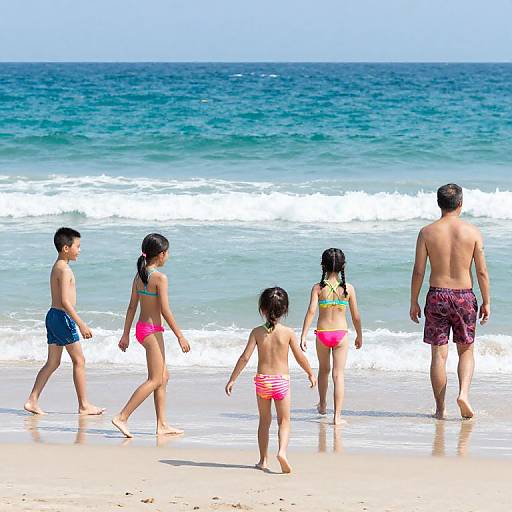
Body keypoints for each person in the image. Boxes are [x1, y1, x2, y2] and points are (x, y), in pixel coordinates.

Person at [410, 184, 490, 420]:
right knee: (466, 351)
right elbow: (482, 271)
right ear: (461, 203)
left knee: (438, 355)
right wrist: (486, 301)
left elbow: (418, 271)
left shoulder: (427, 232)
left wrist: (413, 300)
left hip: (437, 295)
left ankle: (440, 409)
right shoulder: (473, 232)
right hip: (465, 296)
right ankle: (464, 394)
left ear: (439, 203)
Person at [225, 287, 316, 474]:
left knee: (264, 421)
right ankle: (282, 452)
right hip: (281, 381)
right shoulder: (288, 332)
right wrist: (310, 373)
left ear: (262, 310)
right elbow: (299, 357)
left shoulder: (257, 332)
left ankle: (263, 460)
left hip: (263, 381)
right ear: (285, 310)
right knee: (284, 421)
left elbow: (244, 357)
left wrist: (232, 379)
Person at [112, 233, 190, 438]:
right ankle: (122, 416)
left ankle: (162, 424)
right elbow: (165, 310)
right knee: (155, 379)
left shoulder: (139, 276)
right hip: (152, 332)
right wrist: (180, 336)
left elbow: (131, 307)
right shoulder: (159, 278)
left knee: (163, 377)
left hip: (141, 330)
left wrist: (126, 335)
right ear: (161, 254)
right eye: (167, 252)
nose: (168, 256)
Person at [24, 227, 104, 416]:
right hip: (62, 317)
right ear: (66, 248)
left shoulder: (57, 266)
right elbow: (66, 302)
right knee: (79, 360)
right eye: (77, 246)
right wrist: (81, 324)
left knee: (53, 362)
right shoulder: (65, 270)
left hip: (53, 315)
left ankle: (32, 400)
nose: (79, 250)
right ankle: (84, 405)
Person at [300, 248, 362, 425]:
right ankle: (337, 417)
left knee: (324, 370)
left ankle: (322, 404)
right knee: (338, 374)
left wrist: (303, 335)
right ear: (343, 266)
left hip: (322, 334)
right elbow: (356, 316)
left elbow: (312, 311)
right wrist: (359, 335)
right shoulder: (348, 289)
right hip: (341, 335)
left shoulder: (318, 288)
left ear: (322, 265)